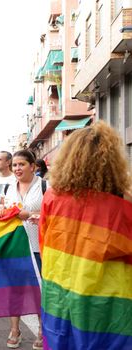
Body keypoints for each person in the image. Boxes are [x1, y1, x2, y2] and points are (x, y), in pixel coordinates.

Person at [40, 122, 132, 350]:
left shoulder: (52, 198)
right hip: (109, 299)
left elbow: (45, 244)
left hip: (59, 292)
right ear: (112, 163)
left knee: (63, 340)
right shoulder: (124, 202)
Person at [0, 150, 45, 349]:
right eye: (14, 165)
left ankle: (42, 330)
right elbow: (2, 210)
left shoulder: (44, 186)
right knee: (14, 291)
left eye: (21, 164)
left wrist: (32, 214)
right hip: (14, 249)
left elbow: (55, 213)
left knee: (40, 291)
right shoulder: (8, 188)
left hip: (38, 247)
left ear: (32, 166)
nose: (17, 169)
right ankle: (15, 330)